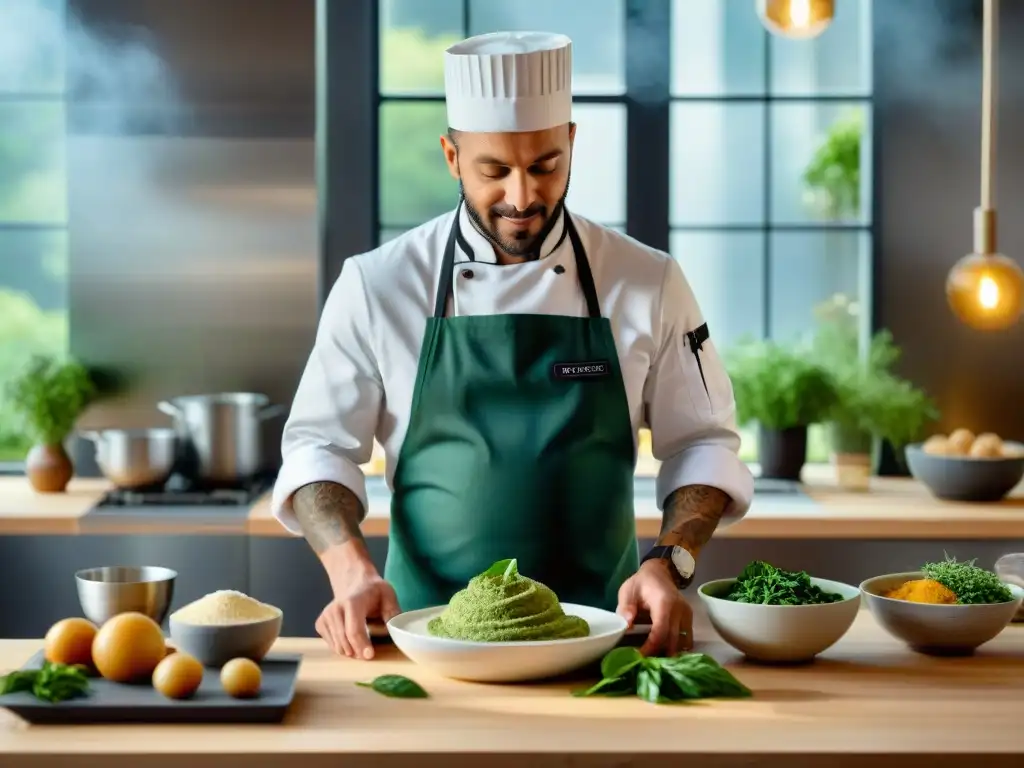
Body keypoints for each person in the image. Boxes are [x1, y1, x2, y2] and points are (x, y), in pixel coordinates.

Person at [271, 30, 754, 661]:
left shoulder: (647, 280)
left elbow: (703, 443)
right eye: (493, 171)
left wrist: (670, 562)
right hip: (423, 637)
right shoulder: (378, 284)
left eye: (545, 166)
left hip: (604, 636)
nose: (522, 197)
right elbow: (318, 447)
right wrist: (349, 570)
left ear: (572, 144)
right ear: (451, 157)